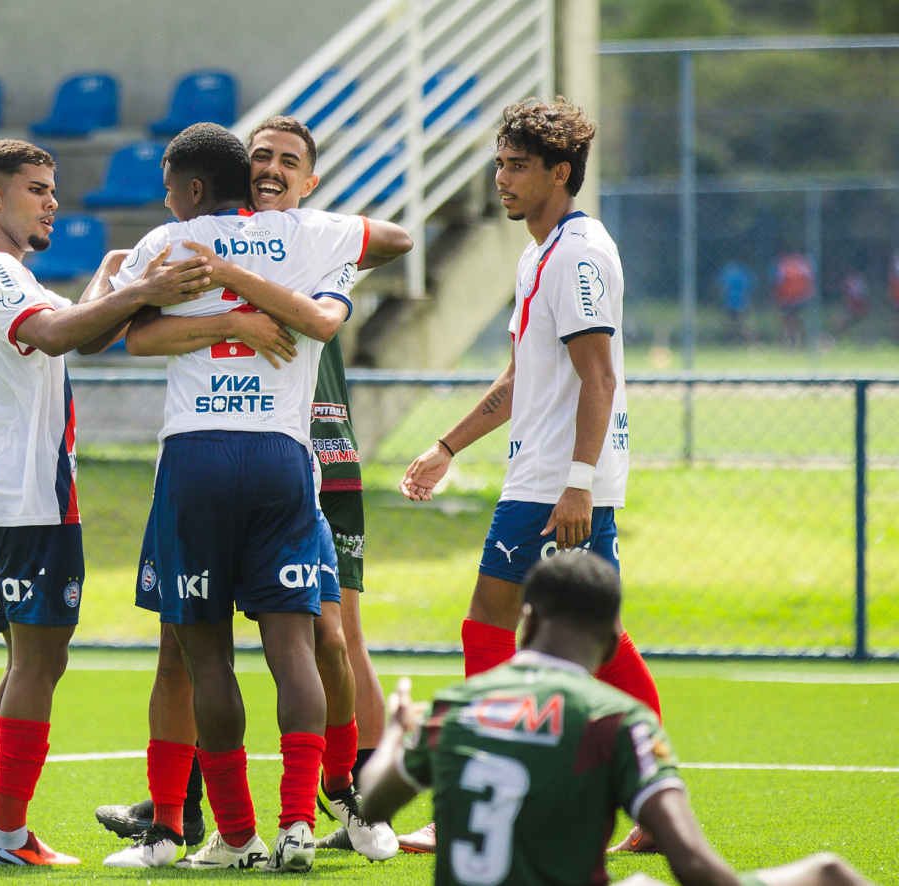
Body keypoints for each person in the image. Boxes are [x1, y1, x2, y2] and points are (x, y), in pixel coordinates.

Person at [93, 116, 404, 863]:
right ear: (245, 173)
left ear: (194, 188)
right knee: (297, 645)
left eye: (170, 190)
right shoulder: (312, 237)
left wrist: (116, 270)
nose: (273, 168)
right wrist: (245, 311)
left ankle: (237, 836)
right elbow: (396, 239)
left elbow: (114, 330)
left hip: (195, 455)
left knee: (207, 656)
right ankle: (295, 823)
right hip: (281, 456)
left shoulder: (170, 244)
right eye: (261, 157)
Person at [399, 97, 661, 854]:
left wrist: (579, 481)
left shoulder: (579, 252)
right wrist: (448, 446)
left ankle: (470, 798)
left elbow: (598, 377)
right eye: (499, 165)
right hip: (542, 478)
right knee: (585, 634)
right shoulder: (537, 252)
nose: (502, 180)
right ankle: (647, 799)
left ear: (560, 172)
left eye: (518, 167)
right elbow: (523, 377)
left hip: (558, 487)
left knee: (496, 622)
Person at [0, 138, 212, 866]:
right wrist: (143, 290)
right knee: (40, 664)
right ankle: (6, 834)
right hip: (29, 495)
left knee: (22, 664)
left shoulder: (0, 277)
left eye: (53, 190)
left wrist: (114, 277)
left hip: (2, 492)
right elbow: (62, 334)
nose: (52, 202)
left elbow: (82, 329)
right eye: (36, 189)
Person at [357, 553, 876, 886]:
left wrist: (400, 733)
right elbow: (691, 862)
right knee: (823, 872)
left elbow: (375, 804)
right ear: (610, 644)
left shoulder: (456, 704)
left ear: (528, 619)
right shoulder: (617, 719)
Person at [771, 252, 816, 347]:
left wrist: (777, 296)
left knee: (789, 320)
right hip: (800, 298)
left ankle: (793, 342)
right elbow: (810, 281)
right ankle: (801, 341)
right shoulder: (804, 264)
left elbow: (778, 282)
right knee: (798, 320)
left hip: (789, 298)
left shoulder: (783, 264)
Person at [715, 260, 755, 343]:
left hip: (730, 302)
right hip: (742, 302)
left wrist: (721, 300)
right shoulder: (744, 273)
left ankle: (732, 340)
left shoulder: (727, 273)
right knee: (742, 323)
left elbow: (722, 288)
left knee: (730, 323)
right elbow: (749, 288)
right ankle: (747, 340)